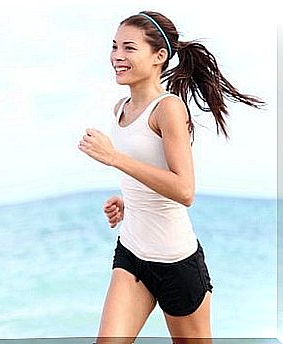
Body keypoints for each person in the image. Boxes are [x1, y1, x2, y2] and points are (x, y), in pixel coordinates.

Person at [77, 10, 265, 344]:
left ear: (159, 56)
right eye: (115, 46)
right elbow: (150, 176)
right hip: (133, 254)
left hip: (176, 263)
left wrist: (113, 158)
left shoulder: (169, 109)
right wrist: (130, 201)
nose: (117, 56)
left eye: (129, 48)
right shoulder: (120, 108)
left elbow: (184, 189)